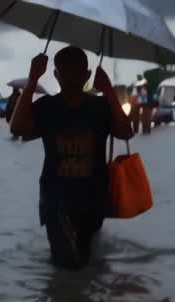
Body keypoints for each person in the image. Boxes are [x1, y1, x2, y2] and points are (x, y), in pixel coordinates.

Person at [11, 46, 134, 270]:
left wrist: (108, 90)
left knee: (85, 262)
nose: (71, 78)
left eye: (77, 72)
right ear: (56, 75)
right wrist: (32, 80)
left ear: (87, 76)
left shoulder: (100, 106)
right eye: (65, 72)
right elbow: (17, 128)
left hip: (94, 197)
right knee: (64, 263)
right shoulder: (47, 107)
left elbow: (126, 132)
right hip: (55, 199)